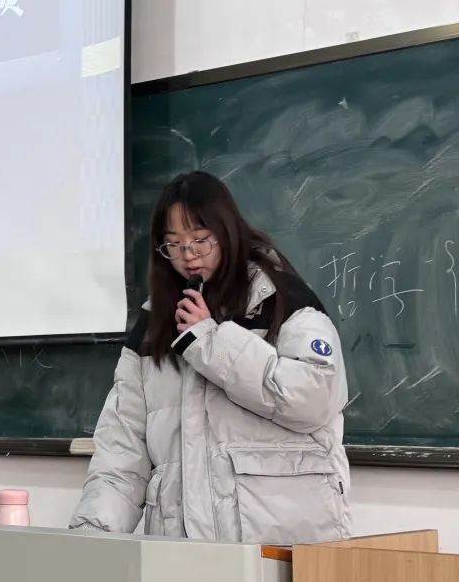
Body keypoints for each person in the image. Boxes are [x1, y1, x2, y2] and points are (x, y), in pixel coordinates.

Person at [70, 171, 351, 544]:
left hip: (283, 551)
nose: (188, 255)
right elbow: (121, 454)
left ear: (227, 232)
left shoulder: (283, 300)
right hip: (184, 554)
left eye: (200, 240)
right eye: (173, 244)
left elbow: (315, 399)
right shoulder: (154, 326)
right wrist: (90, 537)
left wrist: (210, 342)